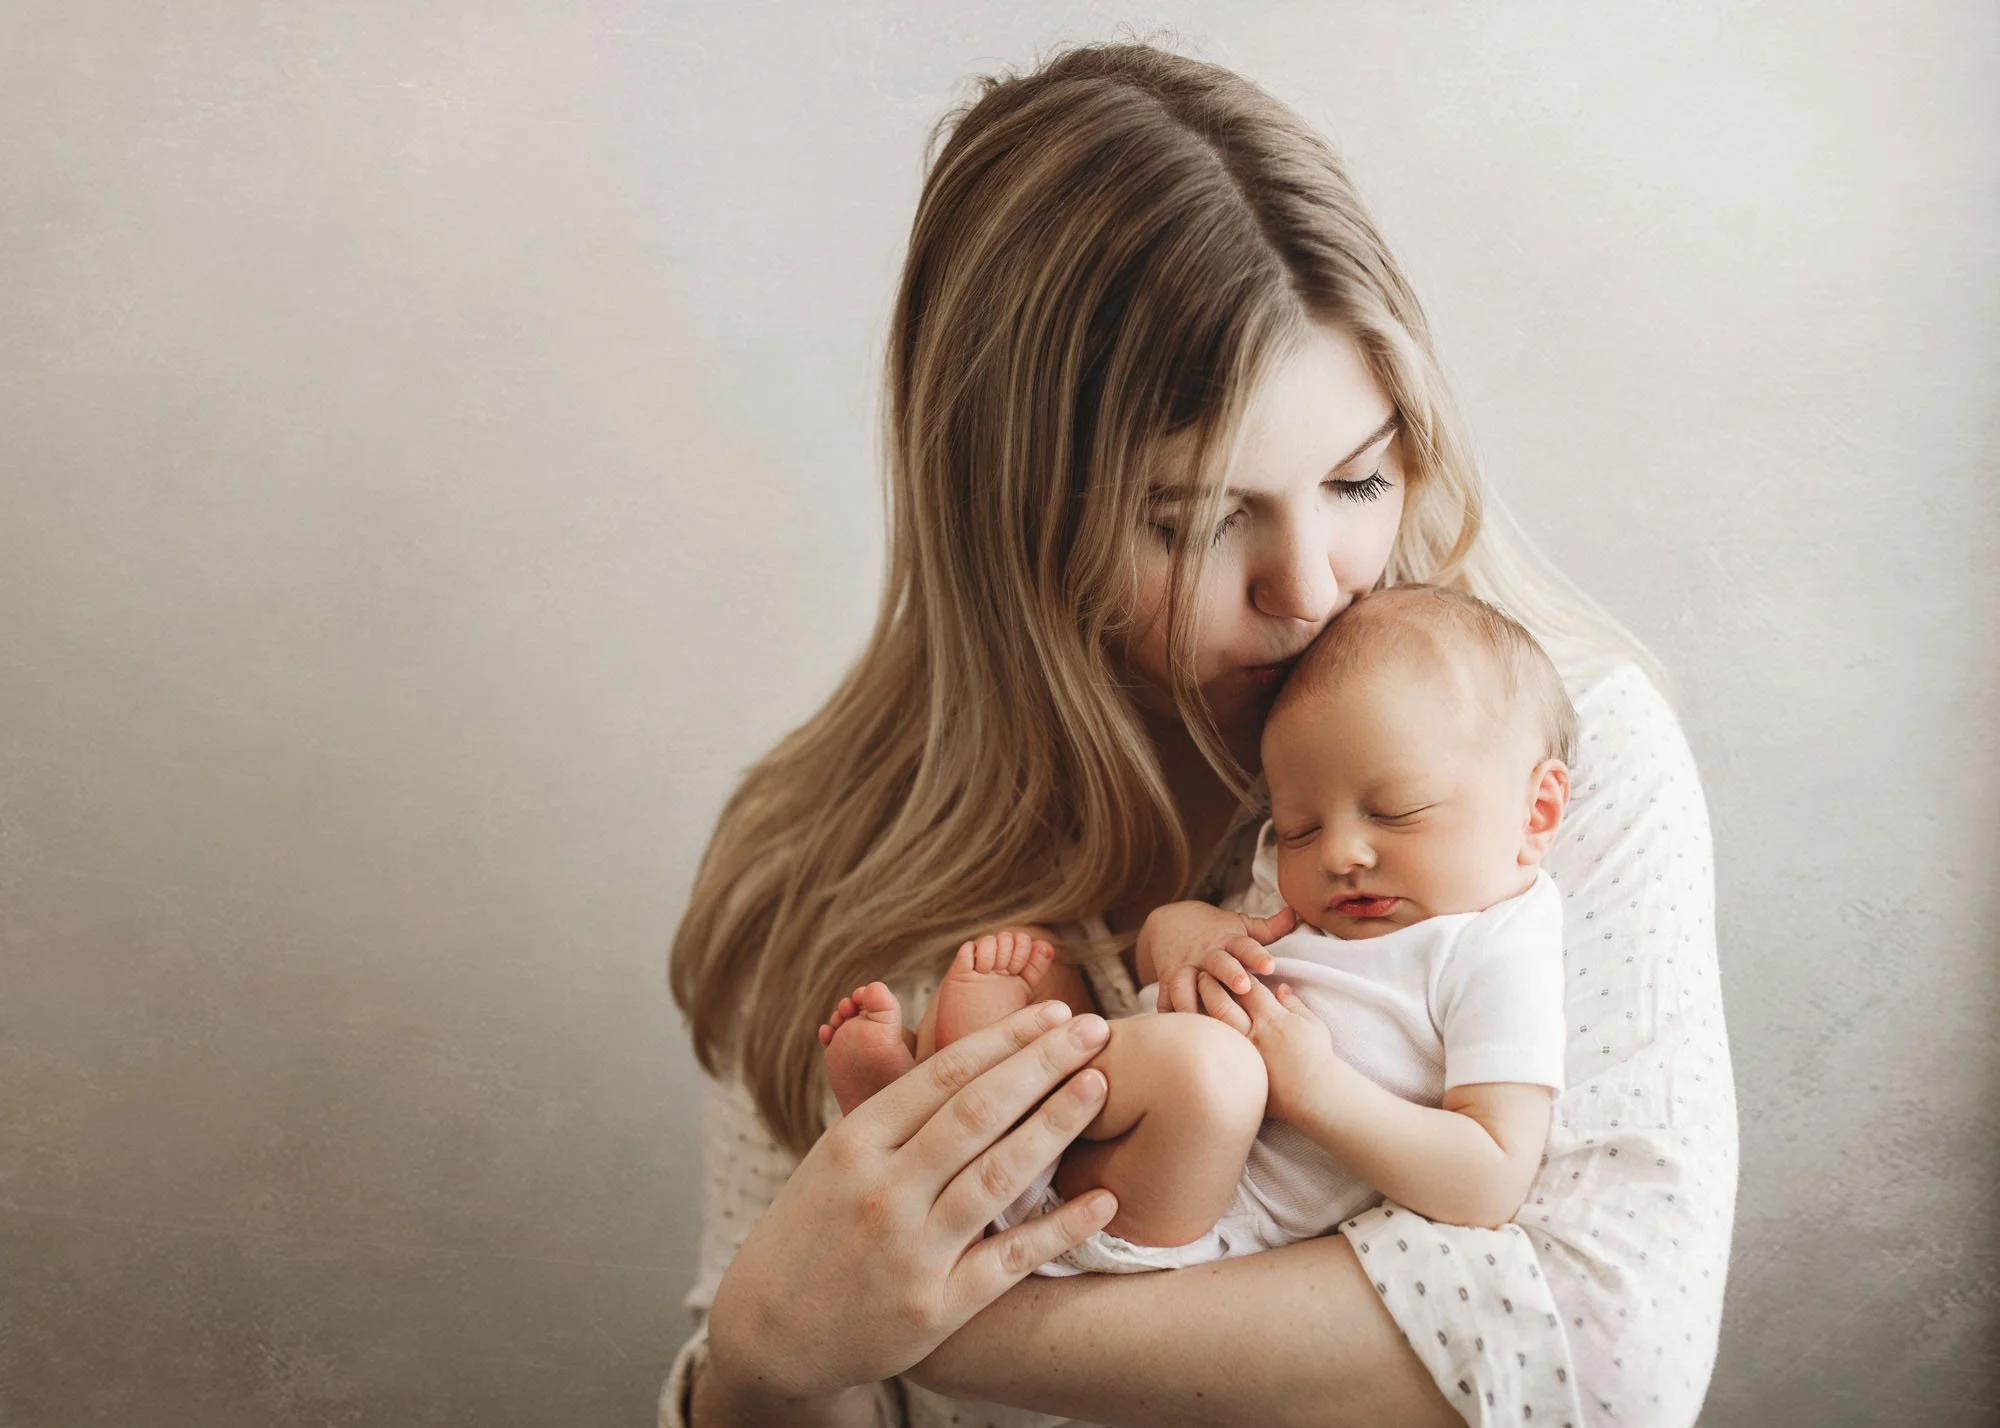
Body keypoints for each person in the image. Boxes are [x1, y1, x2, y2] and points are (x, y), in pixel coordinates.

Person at [662, 40, 1736, 1428]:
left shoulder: (1551, 762)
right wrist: (757, 1365)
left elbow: (1607, 1350)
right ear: (1018, 522)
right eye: (1199, 519)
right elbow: (789, 1375)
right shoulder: (832, 866)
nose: (1316, 587)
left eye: (1359, 478)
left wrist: (933, 1332)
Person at [818, 585, 1577, 1274]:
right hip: (1128, 1111)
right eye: (1301, 827)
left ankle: (940, 1134)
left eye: (1395, 811)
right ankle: (925, 1110)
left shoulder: (1497, 947)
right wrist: (1186, 934)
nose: (1341, 854)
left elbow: (1490, 1180)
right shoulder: (1312, 899)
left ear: (1536, 812)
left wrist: (1315, 1089)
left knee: (1215, 1072)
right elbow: (1160, 965)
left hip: (1189, 1209)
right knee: (1037, 973)